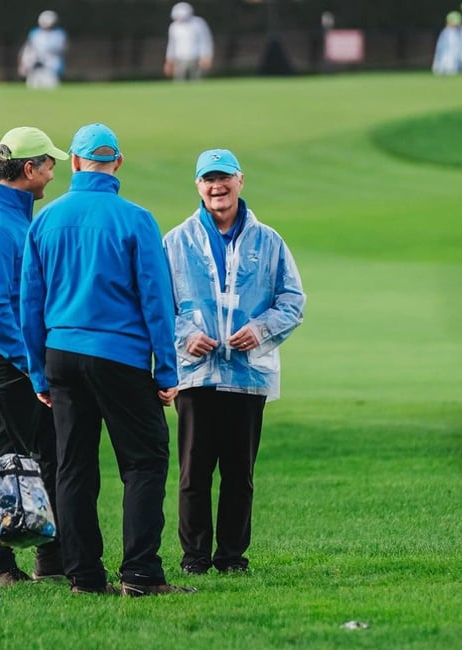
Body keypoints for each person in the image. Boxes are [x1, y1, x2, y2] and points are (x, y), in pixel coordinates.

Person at [20, 123, 194, 597]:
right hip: (120, 355)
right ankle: (139, 573)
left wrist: (39, 371)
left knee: (74, 467)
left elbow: (28, 304)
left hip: (62, 356)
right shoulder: (136, 219)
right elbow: (157, 302)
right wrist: (167, 371)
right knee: (143, 462)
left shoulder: (45, 221)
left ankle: (83, 576)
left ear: (74, 163)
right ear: (117, 164)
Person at [162, 149, 305, 576]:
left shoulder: (269, 241)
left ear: (240, 181)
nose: (216, 187)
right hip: (196, 375)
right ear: (198, 186)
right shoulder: (176, 241)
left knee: (239, 473)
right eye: (208, 179)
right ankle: (194, 558)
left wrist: (260, 330)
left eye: (224, 178)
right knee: (194, 473)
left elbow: (293, 300)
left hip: (248, 376)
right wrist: (186, 336)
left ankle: (232, 557)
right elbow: (157, 304)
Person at [0, 126, 69, 585]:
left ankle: (50, 559)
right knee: (7, 459)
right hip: (7, 357)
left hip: (29, 356)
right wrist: (34, 367)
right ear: (29, 170)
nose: (51, 174)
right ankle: (1, 566)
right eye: (48, 166)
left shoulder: (18, 215)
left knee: (51, 453)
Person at [17, 10, 67, 89]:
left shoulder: (59, 34)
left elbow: (60, 49)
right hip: (35, 67)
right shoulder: (35, 33)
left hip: (51, 68)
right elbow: (27, 50)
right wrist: (25, 64)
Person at [164, 2, 213, 81]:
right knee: (179, 81)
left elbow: (205, 41)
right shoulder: (173, 27)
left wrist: (206, 56)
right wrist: (169, 61)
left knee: (197, 80)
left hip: (196, 58)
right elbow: (172, 45)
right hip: (179, 58)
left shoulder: (198, 23)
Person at [432, 12, 462, 76]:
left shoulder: (459, 31)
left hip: (455, 59)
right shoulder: (446, 32)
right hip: (446, 58)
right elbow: (441, 47)